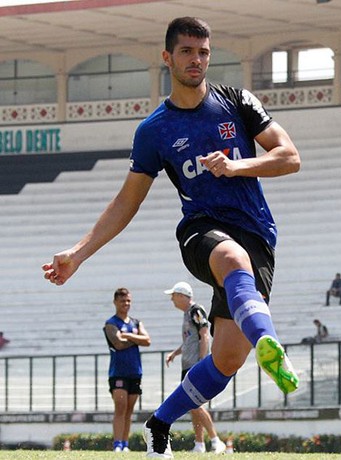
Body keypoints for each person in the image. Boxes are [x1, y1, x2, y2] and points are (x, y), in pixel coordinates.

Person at [42, 17, 300, 458]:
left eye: (203, 51)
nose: (196, 60)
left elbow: (290, 157)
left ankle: (159, 422)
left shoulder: (237, 102)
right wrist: (79, 252)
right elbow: (126, 202)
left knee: (225, 361)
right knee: (233, 260)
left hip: (256, 231)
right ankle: (267, 342)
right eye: (186, 52)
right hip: (201, 230)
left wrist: (237, 166)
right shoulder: (154, 130)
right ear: (168, 58)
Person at [163, 281, 224, 454]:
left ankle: (215, 440)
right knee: (192, 405)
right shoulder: (187, 314)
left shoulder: (196, 310)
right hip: (188, 364)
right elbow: (190, 339)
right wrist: (175, 353)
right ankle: (199, 443)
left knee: (197, 405)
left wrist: (201, 362)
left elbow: (204, 335)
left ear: (182, 296)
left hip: (194, 365)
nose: (172, 300)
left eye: (174, 296)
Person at [103, 288, 151, 453]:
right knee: (120, 406)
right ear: (115, 302)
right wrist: (136, 338)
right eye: (123, 301)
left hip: (135, 371)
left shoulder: (136, 322)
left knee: (129, 410)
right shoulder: (111, 323)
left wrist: (129, 336)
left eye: (129, 301)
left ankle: (125, 444)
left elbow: (147, 340)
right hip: (118, 371)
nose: (126, 304)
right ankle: (117, 443)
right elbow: (118, 343)